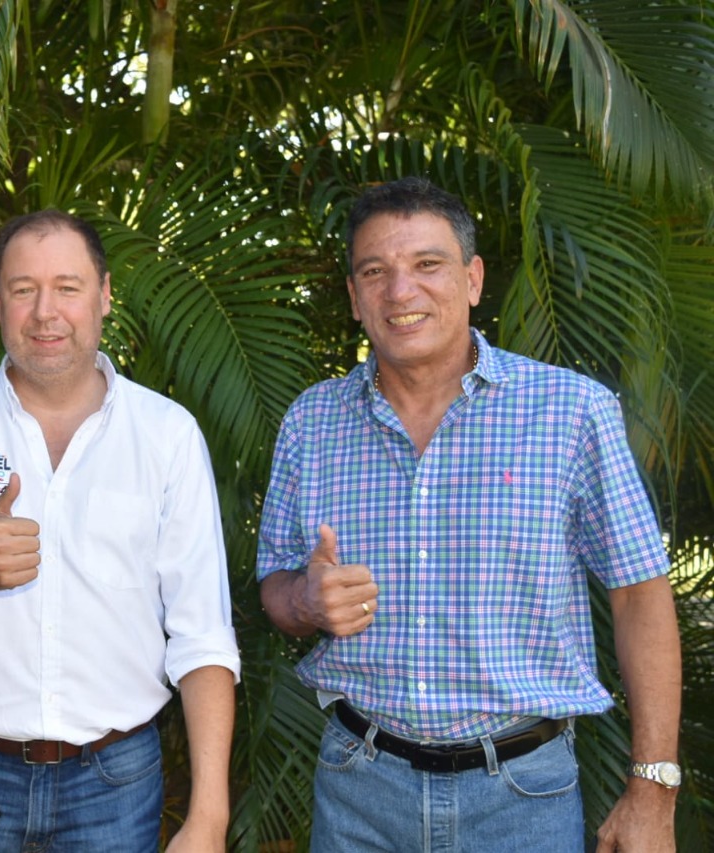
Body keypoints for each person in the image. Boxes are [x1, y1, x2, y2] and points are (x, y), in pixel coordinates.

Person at [257, 176, 681, 852]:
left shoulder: (571, 413)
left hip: (523, 798)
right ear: (354, 297)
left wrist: (653, 789)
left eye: (428, 264)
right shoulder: (312, 420)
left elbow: (639, 593)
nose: (401, 291)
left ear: (474, 278)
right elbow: (274, 587)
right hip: (357, 786)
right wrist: (306, 599)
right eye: (376, 271)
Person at [0, 209, 240, 851]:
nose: (45, 311)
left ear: (105, 295)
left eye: (67, 286)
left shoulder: (167, 435)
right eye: (23, 289)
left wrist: (208, 817)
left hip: (114, 787)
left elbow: (202, 637)